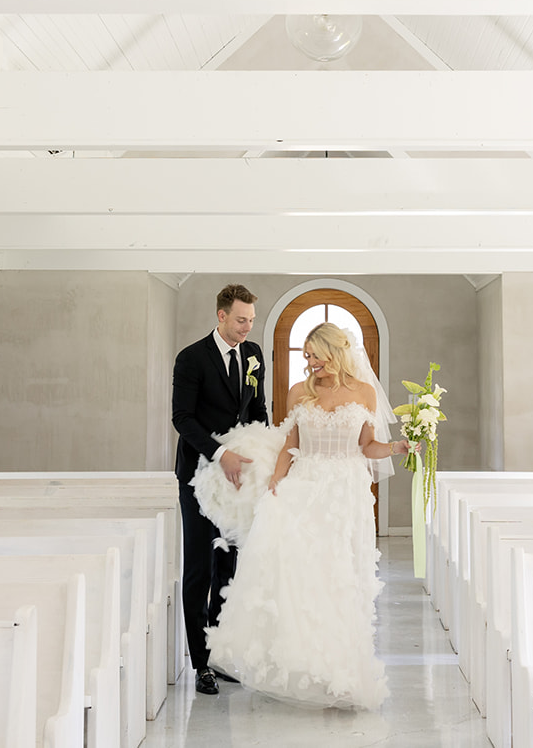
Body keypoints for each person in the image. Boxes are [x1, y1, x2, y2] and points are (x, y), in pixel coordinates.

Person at [202, 322, 413, 710]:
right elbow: (290, 444)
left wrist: (396, 447)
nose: (310, 362)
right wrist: (275, 485)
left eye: (315, 355)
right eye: (307, 356)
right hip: (304, 487)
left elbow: (367, 447)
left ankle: (341, 673)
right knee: (301, 577)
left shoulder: (364, 392)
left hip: (345, 496)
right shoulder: (299, 392)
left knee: (340, 579)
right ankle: (300, 666)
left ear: (336, 352)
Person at [172, 284, 268, 697]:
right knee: (199, 567)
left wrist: (264, 453)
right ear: (221, 316)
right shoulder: (191, 359)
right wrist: (219, 452)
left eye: (251, 320)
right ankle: (199, 663)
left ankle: (219, 653)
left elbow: (257, 410)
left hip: (239, 478)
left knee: (228, 565)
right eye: (241, 320)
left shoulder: (254, 355)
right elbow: (182, 418)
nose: (248, 327)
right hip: (199, 473)